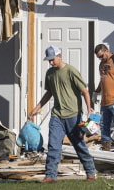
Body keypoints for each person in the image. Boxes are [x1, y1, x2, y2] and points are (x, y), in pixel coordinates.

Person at [29, 45, 96, 183]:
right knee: (53, 145)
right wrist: (37, 108)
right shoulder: (50, 73)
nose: (51, 63)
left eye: (52, 59)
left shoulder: (71, 71)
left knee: (78, 144)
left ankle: (90, 172)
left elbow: (85, 91)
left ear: (59, 56)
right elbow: (49, 93)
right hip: (57, 115)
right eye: (49, 60)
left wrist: (89, 110)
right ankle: (50, 176)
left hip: (73, 115)